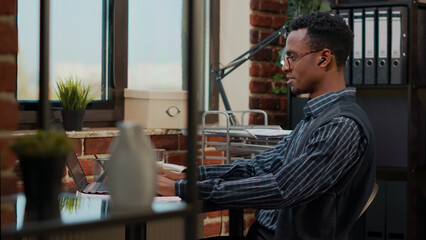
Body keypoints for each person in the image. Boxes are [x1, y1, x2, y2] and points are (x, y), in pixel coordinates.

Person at [157, 11, 376, 240]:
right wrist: (185, 177)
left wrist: (180, 190)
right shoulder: (317, 118)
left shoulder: (341, 125)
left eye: (292, 57)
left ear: (323, 58)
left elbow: (281, 188)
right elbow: (258, 168)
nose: (284, 67)